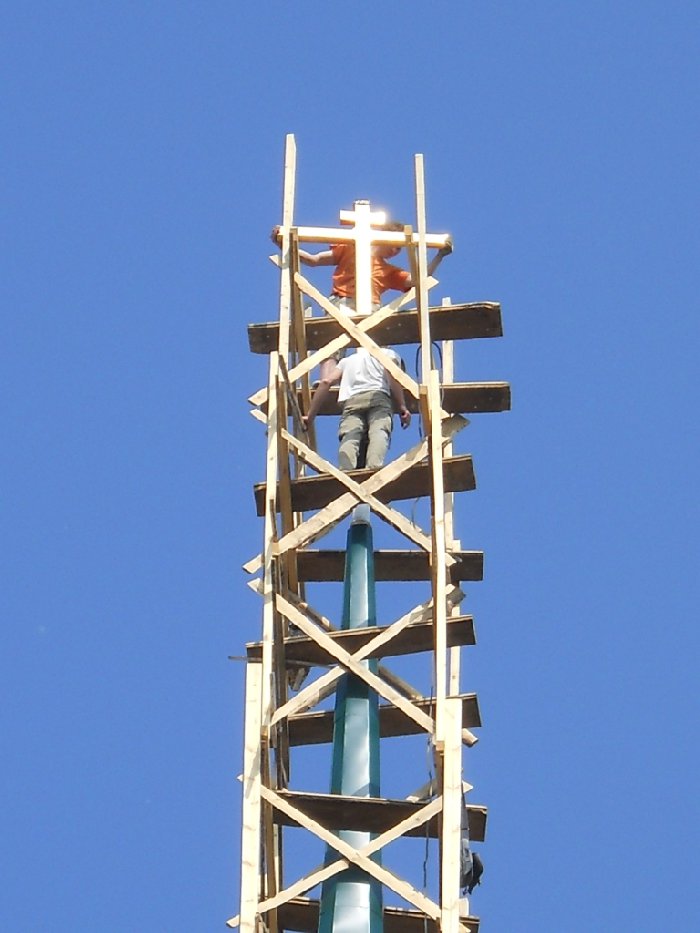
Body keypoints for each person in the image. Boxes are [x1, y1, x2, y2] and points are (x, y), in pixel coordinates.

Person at [271, 217, 452, 381]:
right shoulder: (350, 248)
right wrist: (285, 245)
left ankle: (376, 382)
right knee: (331, 345)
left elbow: (416, 280)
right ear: (382, 237)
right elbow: (314, 259)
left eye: (399, 248)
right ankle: (326, 381)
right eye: (395, 245)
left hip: (371, 308)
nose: (396, 251)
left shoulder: (387, 270)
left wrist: (439, 256)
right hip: (341, 301)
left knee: (377, 348)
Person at [302, 347, 411, 471]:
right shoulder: (388, 354)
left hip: (351, 402)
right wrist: (402, 405)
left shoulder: (347, 361)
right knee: (379, 431)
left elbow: (326, 382)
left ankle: (345, 471)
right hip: (378, 396)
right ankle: (373, 468)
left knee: (349, 436)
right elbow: (393, 376)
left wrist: (310, 416)